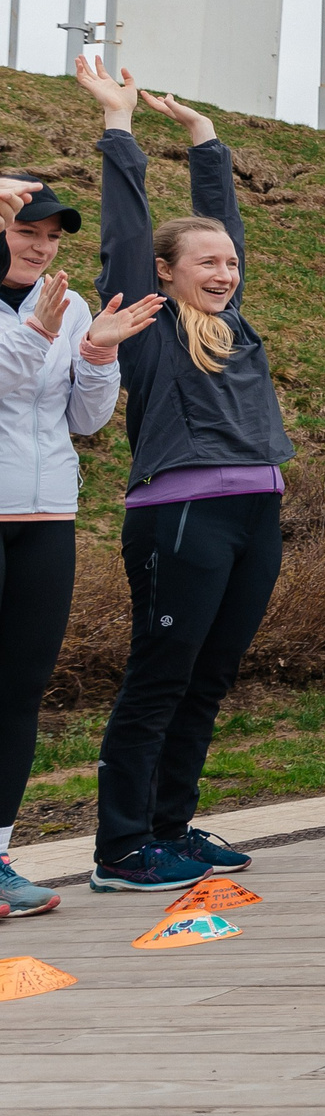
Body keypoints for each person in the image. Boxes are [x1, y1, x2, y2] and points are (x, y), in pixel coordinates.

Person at [77, 56, 297, 894]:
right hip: (182, 519)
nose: (224, 270)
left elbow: (225, 225)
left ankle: (171, 826)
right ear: (165, 272)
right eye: (205, 263)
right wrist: (121, 128)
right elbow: (128, 232)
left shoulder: (231, 324)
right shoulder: (152, 322)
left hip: (253, 516)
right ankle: (123, 847)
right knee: (159, 681)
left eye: (230, 262)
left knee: (208, 678)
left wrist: (205, 140)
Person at [0, 172, 153, 915]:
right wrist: (33, 335)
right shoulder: (34, 316)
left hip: (46, 516)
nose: (41, 246)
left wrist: (95, 353)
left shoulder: (69, 306)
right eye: (27, 230)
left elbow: (86, 422)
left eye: (53, 237)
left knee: (18, 693)